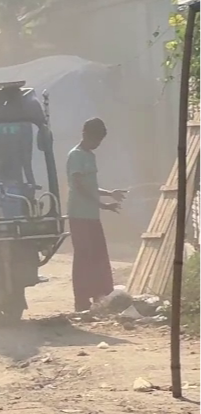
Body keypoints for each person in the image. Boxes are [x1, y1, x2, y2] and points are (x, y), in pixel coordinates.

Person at [65, 117, 126, 312]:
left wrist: (109, 193)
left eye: (99, 141)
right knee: (83, 257)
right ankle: (81, 301)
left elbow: (91, 186)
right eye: (95, 139)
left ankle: (100, 297)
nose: (97, 144)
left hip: (91, 215)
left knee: (98, 255)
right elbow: (79, 186)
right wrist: (102, 205)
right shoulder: (75, 155)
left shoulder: (90, 156)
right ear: (85, 135)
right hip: (79, 214)